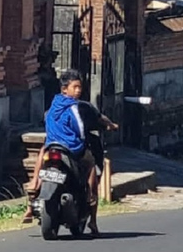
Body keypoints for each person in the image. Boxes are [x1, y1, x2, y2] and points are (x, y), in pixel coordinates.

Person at [22, 70, 118, 235]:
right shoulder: (75, 106)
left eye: (79, 87)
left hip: (51, 145)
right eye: (75, 87)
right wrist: (110, 127)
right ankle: (92, 215)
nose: (78, 90)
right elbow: (81, 128)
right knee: (91, 165)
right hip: (71, 147)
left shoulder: (54, 104)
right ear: (64, 89)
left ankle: (31, 200)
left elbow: (48, 121)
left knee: (41, 159)